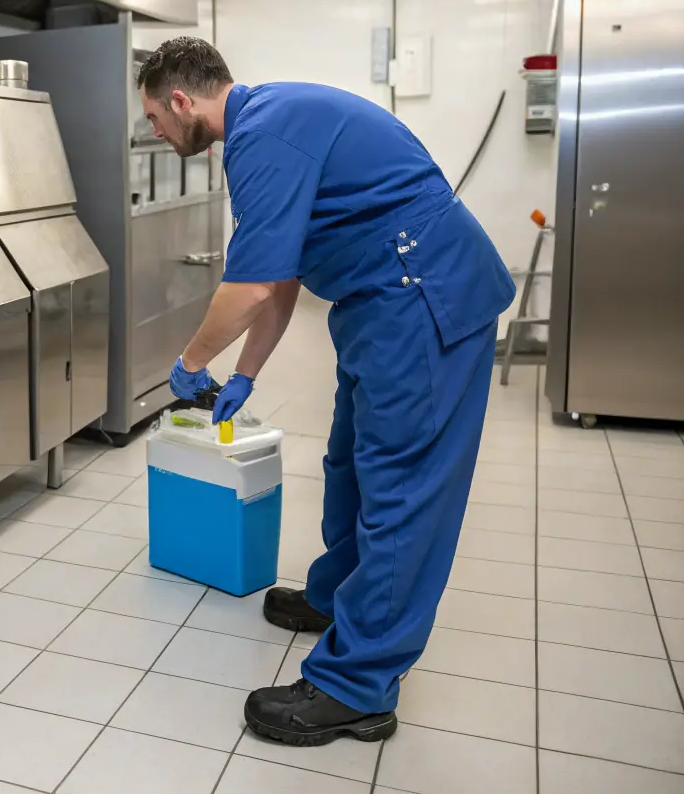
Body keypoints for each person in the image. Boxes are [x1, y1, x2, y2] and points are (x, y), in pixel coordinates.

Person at [139, 37, 515, 747]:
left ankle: (356, 685)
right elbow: (277, 278)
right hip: (381, 305)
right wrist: (245, 372)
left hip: (422, 302)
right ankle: (338, 598)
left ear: (182, 101)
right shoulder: (267, 124)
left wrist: (190, 360)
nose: (153, 131)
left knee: (400, 490)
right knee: (349, 464)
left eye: (154, 117)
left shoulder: (263, 137)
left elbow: (247, 287)